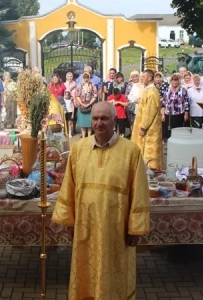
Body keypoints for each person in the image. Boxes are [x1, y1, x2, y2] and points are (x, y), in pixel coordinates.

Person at [51, 101, 150, 300]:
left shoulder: (131, 151)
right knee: (86, 274)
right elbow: (68, 187)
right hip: (85, 227)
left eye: (104, 118)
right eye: (95, 118)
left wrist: (135, 228)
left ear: (115, 120)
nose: (99, 123)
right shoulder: (79, 149)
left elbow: (139, 191)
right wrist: (69, 223)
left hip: (117, 229)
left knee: (114, 275)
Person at [131, 69, 163, 170]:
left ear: (149, 78)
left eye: (143, 77)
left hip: (150, 130)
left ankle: (151, 174)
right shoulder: (147, 90)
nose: (141, 79)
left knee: (149, 155)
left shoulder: (152, 92)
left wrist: (143, 127)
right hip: (145, 127)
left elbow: (150, 112)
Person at [161, 74, 189, 140]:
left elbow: (186, 103)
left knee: (178, 133)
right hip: (168, 115)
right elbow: (164, 103)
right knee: (169, 133)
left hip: (179, 115)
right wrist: (162, 115)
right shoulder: (167, 90)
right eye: (173, 80)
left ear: (179, 81)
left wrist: (186, 114)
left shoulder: (183, 90)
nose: (175, 82)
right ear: (171, 81)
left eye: (176, 80)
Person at [75, 72, 98, 138]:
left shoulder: (92, 85)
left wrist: (89, 103)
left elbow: (95, 95)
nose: (86, 79)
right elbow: (77, 95)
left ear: (89, 78)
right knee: (83, 124)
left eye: (87, 77)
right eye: (85, 78)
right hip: (82, 106)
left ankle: (89, 137)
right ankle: (84, 137)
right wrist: (82, 104)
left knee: (89, 124)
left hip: (90, 106)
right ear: (83, 78)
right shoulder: (79, 85)